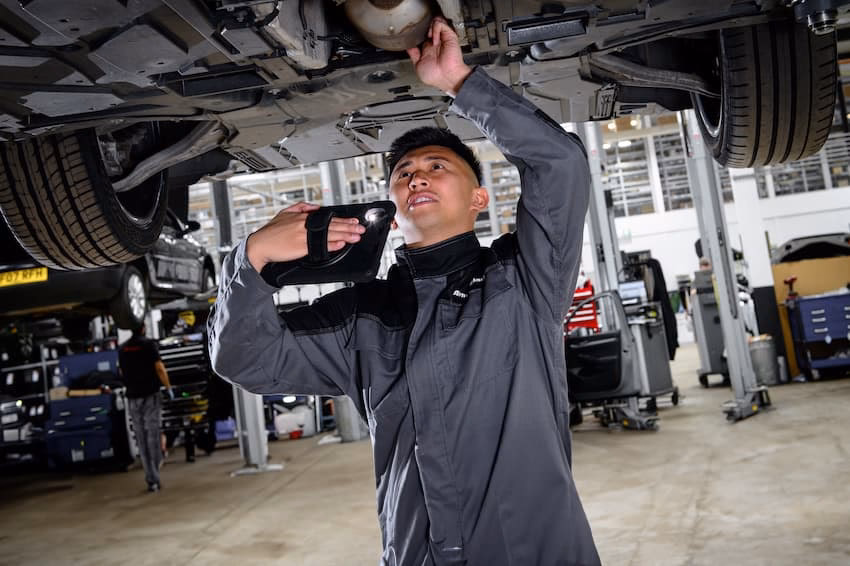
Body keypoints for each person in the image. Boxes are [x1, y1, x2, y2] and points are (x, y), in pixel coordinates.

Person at [209, 17, 599, 565]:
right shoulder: (361, 316)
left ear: (479, 199)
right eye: (404, 174)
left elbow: (560, 164)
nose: (417, 177)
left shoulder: (523, 280)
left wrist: (461, 83)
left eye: (438, 167)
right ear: (393, 212)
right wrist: (252, 261)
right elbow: (245, 359)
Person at [119, 324, 173, 492]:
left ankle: (151, 478)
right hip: (150, 395)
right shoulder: (149, 345)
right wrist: (168, 387)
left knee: (141, 438)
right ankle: (154, 476)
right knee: (152, 435)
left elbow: (121, 372)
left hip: (133, 398)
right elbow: (159, 368)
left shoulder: (123, 348)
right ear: (143, 328)